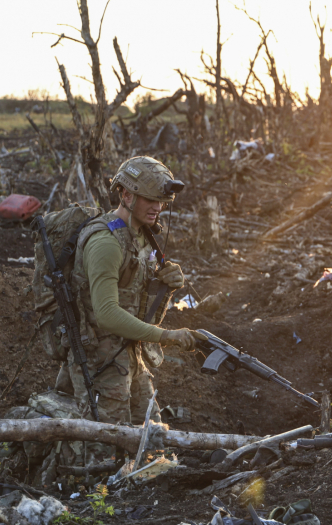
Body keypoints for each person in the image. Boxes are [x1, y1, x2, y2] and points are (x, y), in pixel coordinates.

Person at [58, 156, 205, 434]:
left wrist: (164, 287)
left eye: (160, 201)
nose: (157, 208)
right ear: (125, 194)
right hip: (100, 361)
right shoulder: (105, 243)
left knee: (153, 437)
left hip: (130, 355)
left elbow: (138, 305)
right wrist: (166, 336)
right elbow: (107, 315)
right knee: (107, 448)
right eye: (149, 199)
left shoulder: (141, 237)